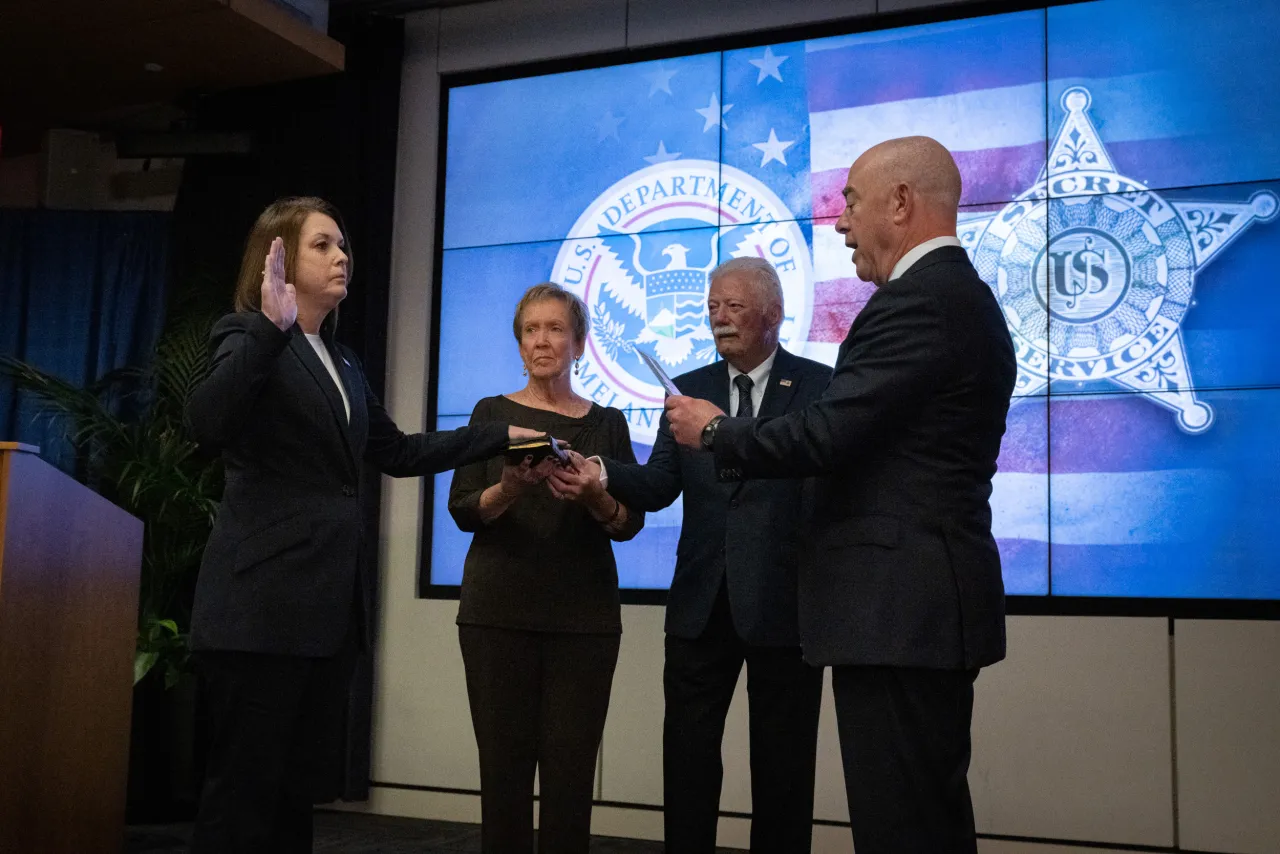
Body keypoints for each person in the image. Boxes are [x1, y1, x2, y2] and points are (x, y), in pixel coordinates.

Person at [664, 137, 1017, 854]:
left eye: (851, 202)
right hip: (911, 614)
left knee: (903, 828)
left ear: (900, 202)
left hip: (898, 613)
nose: (842, 223)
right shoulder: (954, 298)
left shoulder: (921, 302)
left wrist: (719, 432)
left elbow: (825, 436)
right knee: (921, 821)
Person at [184, 196, 537, 853]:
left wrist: (495, 437)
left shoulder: (341, 362)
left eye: (343, 244)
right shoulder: (244, 336)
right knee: (243, 795)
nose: (342, 255)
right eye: (323, 244)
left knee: (293, 796)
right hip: (259, 610)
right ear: (278, 259)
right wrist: (268, 328)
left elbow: (397, 452)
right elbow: (205, 423)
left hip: (323, 613)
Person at [568, 257, 829, 852]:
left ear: (774, 313)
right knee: (686, 761)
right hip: (699, 606)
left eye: (734, 307)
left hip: (784, 606)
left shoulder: (819, 386)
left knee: (784, 766)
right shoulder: (689, 390)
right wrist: (603, 474)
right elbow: (660, 484)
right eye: (712, 307)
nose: (719, 319)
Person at [448, 283, 644, 854]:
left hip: (583, 621)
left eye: (555, 329)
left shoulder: (608, 423)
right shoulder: (491, 414)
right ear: (519, 344)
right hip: (496, 615)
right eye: (531, 330)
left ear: (579, 343)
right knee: (503, 776)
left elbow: (627, 522)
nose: (542, 341)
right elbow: (464, 508)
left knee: (570, 777)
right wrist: (508, 488)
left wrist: (594, 497)